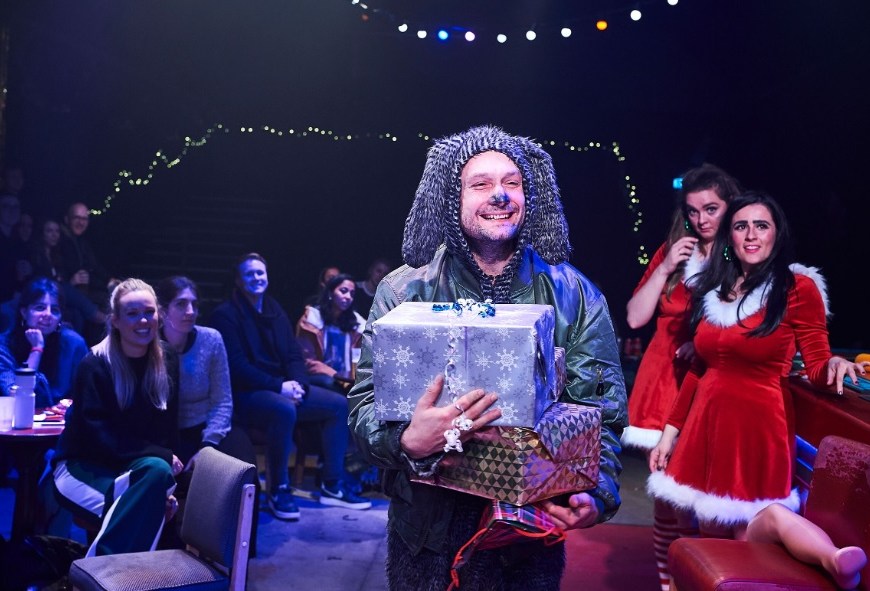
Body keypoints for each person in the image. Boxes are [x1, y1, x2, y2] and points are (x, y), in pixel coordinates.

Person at [347, 125, 627, 590]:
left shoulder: (575, 295)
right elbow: (362, 408)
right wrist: (405, 441)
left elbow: (602, 413)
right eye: (480, 184)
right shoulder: (402, 291)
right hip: (426, 536)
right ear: (451, 198)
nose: (500, 195)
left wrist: (596, 491)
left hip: (527, 538)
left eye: (511, 182)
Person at [648, 192, 868, 540]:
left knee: (746, 540)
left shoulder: (796, 288)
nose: (751, 235)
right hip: (706, 424)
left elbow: (816, 366)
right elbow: (698, 371)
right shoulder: (714, 290)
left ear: (776, 234)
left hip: (758, 429)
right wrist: (668, 435)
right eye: (741, 226)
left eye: (761, 226)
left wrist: (834, 364)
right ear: (729, 237)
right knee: (707, 536)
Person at [621, 163, 742, 590]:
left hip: (707, 384)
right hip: (662, 382)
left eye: (711, 209)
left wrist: (704, 342)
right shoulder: (674, 251)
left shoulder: (739, 256)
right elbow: (635, 317)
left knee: (704, 500)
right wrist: (665, 265)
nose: (701, 219)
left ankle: (697, 578)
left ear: (730, 206)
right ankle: (668, 584)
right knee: (667, 498)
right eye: (692, 211)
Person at [210, 253, 371, 521]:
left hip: (282, 387)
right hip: (247, 394)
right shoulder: (225, 315)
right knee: (283, 409)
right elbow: (237, 367)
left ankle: (332, 485)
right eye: (249, 274)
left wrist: (299, 385)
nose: (256, 278)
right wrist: (279, 387)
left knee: (337, 404)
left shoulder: (274, 310)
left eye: (260, 273)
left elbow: (293, 355)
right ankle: (278, 489)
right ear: (238, 280)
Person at [52, 278, 183, 557]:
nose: (143, 321)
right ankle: (103, 576)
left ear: (159, 315)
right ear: (115, 321)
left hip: (136, 468)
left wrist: (164, 488)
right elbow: (100, 439)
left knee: (157, 475)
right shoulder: (95, 364)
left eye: (149, 312)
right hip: (82, 467)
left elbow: (167, 431)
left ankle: (100, 574)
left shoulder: (168, 359)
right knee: (144, 508)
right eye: (132, 314)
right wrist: (156, 482)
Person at [155, 275, 259, 551]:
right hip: (167, 432)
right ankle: (168, 550)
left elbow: (222, 400)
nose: (190, 311)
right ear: (162, 310)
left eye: (194, 304)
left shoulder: (210, 340)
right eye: (181, 304)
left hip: (209, 428)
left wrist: (207, 445)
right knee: (164, 476)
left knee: (244, 470)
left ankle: (236, 554)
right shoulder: (150, 344)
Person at [0, 278, 87, 408]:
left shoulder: (74, 344)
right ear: (24, 312)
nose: (48, 314)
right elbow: (17, 396)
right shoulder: (4, 346)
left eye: (55, 310)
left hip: (62, 418)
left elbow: (87, 394)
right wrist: (37, 349)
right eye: (40, 308)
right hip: (19, 417)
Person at [296, 272, 366, 392]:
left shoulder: (357, 325)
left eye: (352, 293)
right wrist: (335, 375)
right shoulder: (312, 320)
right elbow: (307, 360)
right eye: (343, 291)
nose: (348, 297)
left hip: (347, 380)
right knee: (331, 384)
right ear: (330, 293)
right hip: (319, 376)